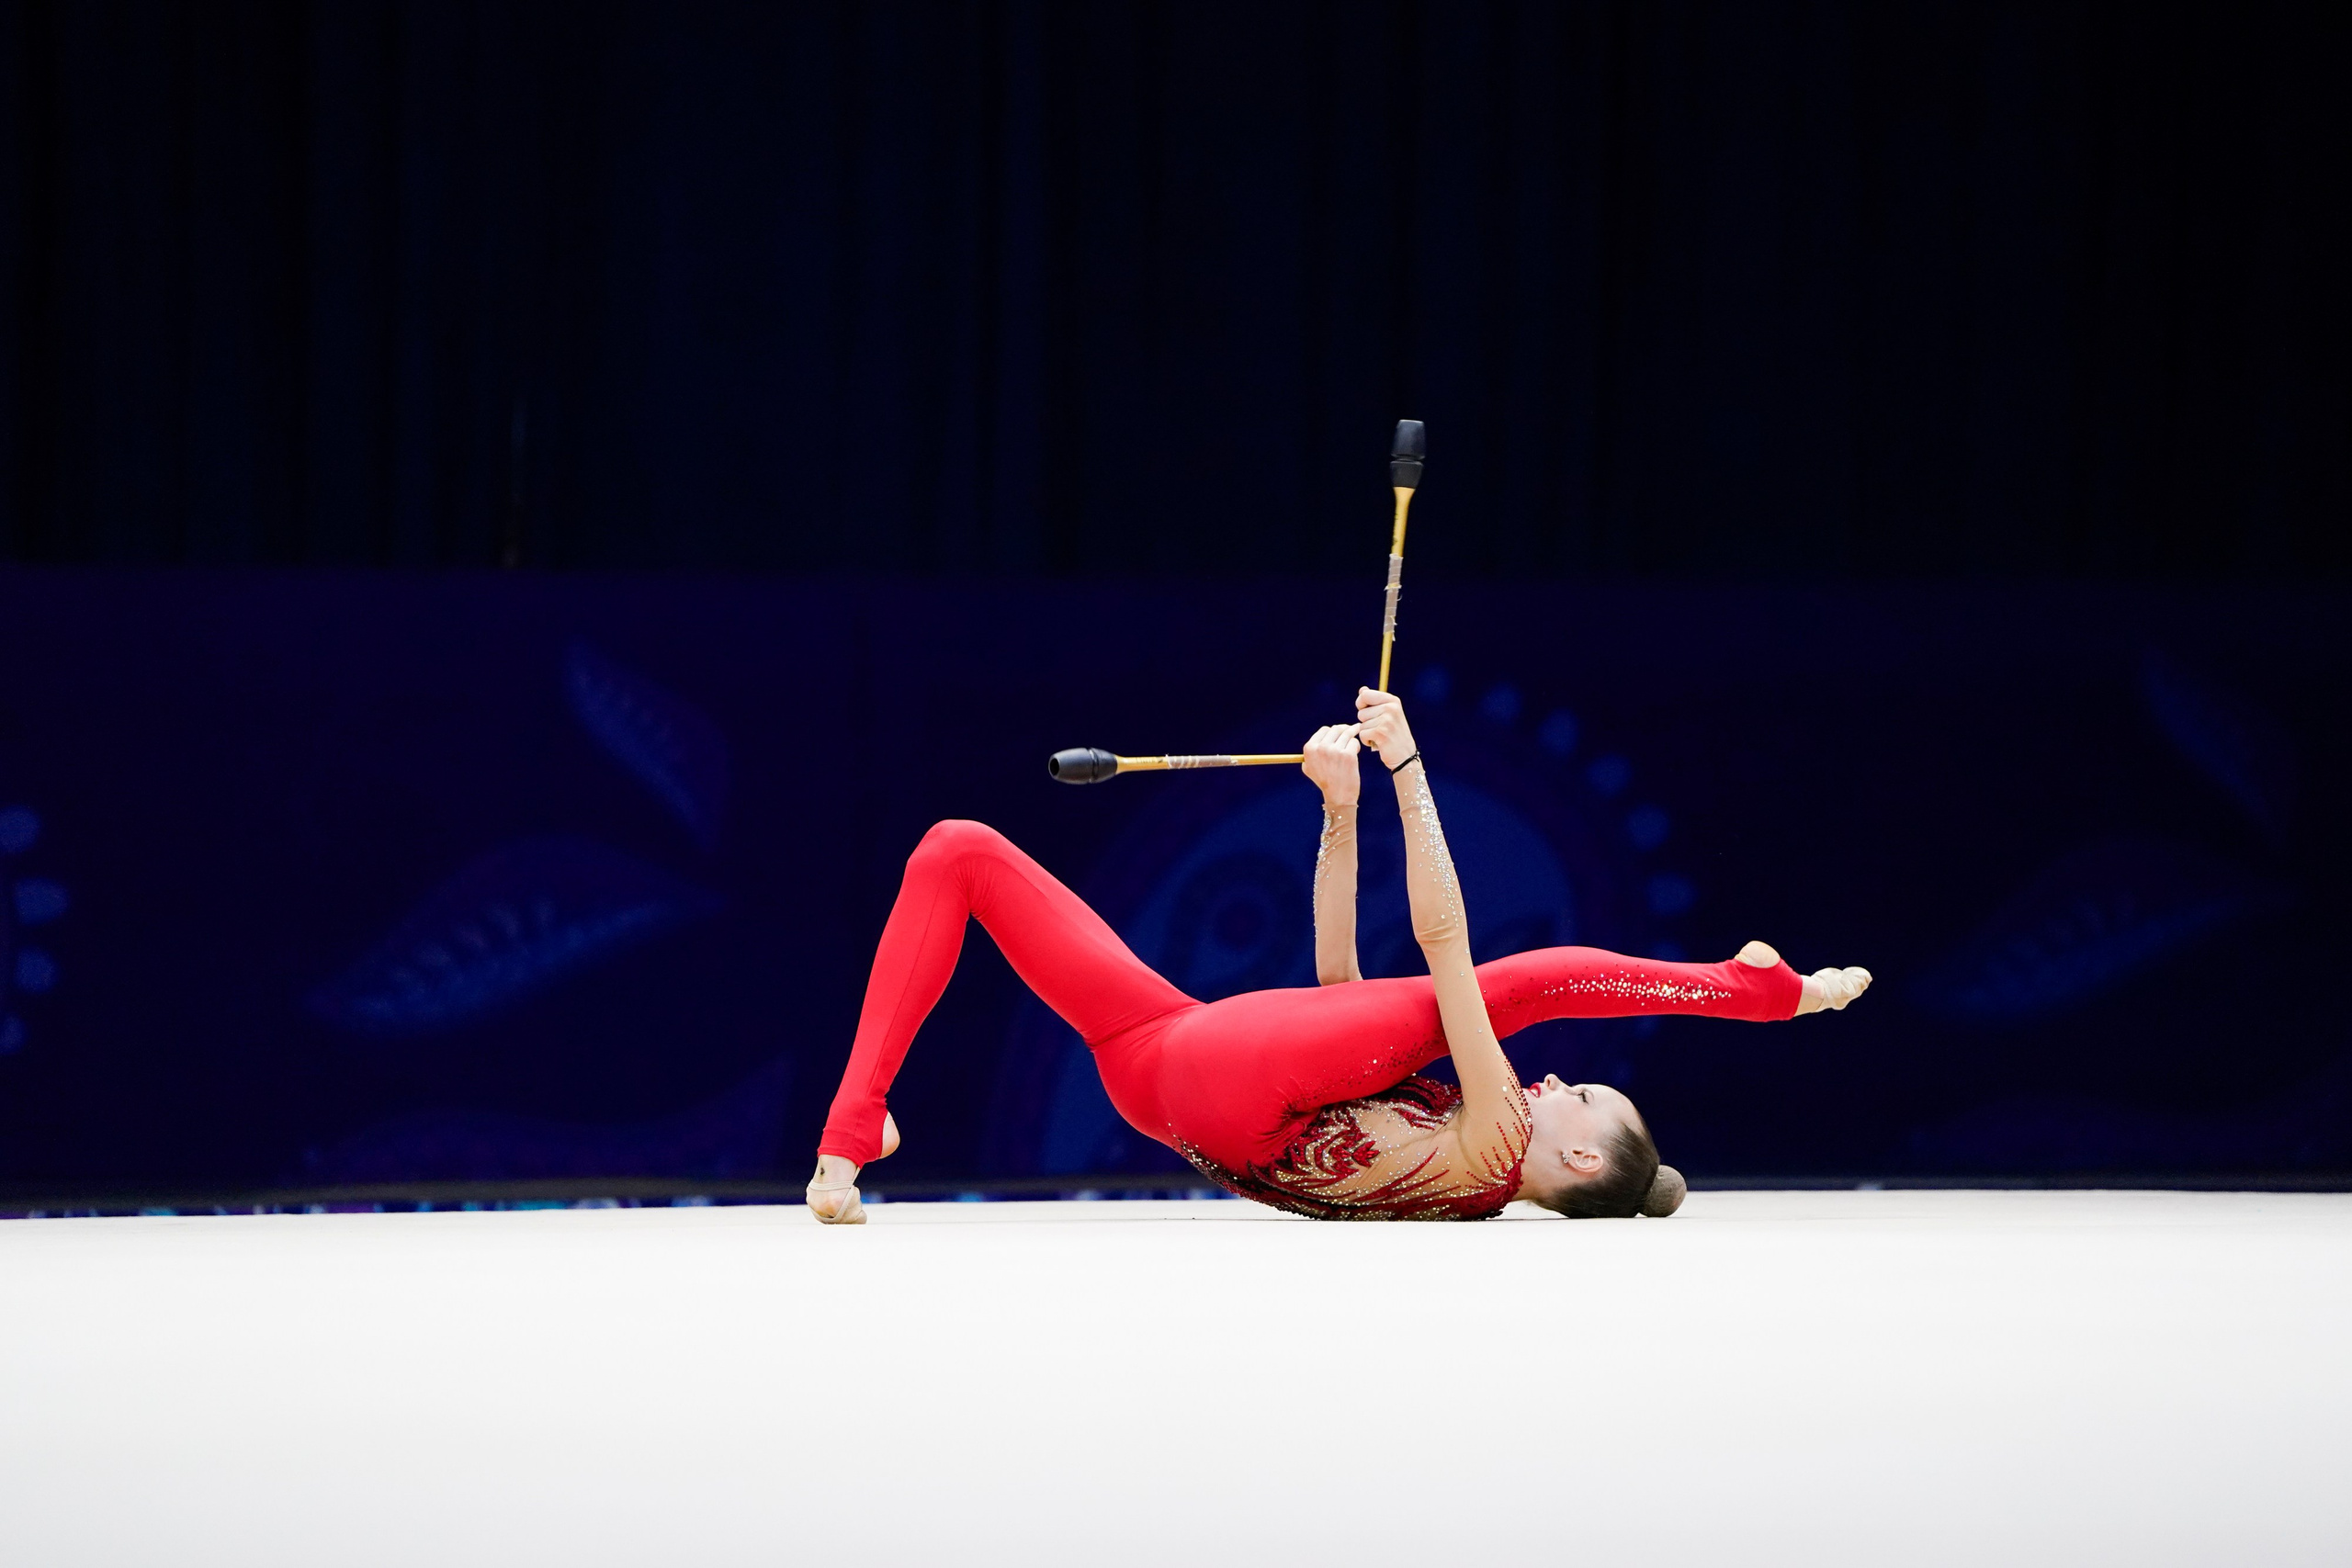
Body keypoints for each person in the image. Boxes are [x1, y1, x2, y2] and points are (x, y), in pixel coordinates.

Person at [808, 687, 1870, 1224]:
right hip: (1163, 1061)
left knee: (1513, 987)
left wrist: (1410, 768)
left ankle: (1757, 992)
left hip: (1217, 1092)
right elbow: (1334, 993)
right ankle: (848, 1142)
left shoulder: (1494, 1147)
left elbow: (1447, 944)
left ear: (1579, 1160)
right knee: (959, 851)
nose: (1555, 1081)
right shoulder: (1443, 1134)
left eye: (1580, 1094)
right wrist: (1343, 808)